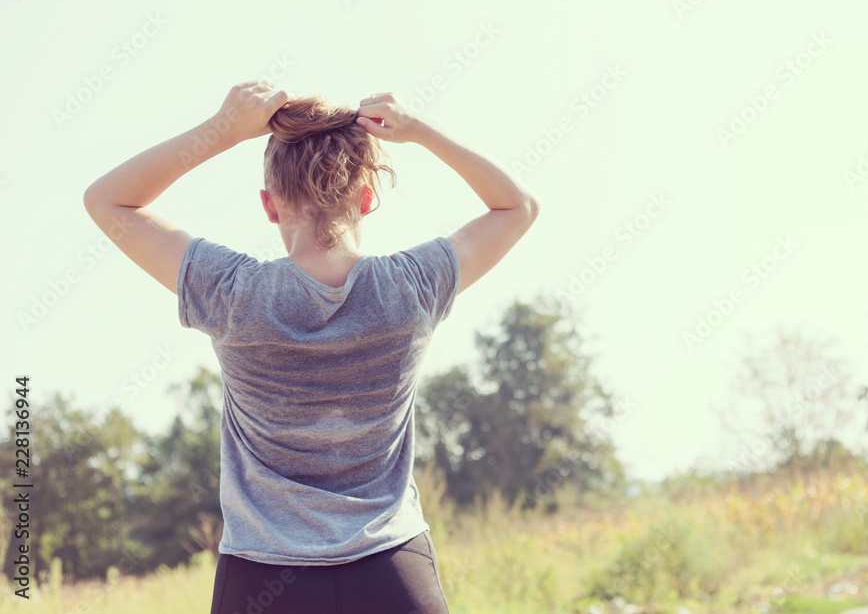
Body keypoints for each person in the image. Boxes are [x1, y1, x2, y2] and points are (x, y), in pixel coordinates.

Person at [83, 80, 541, 613]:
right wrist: (418, 130)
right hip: (391, 569)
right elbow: (517, 207)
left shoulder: (232, 291)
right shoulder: (411, 286)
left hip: (262, 577)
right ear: (368, 198)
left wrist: (221, 132)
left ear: (269, 206)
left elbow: (107, 199)